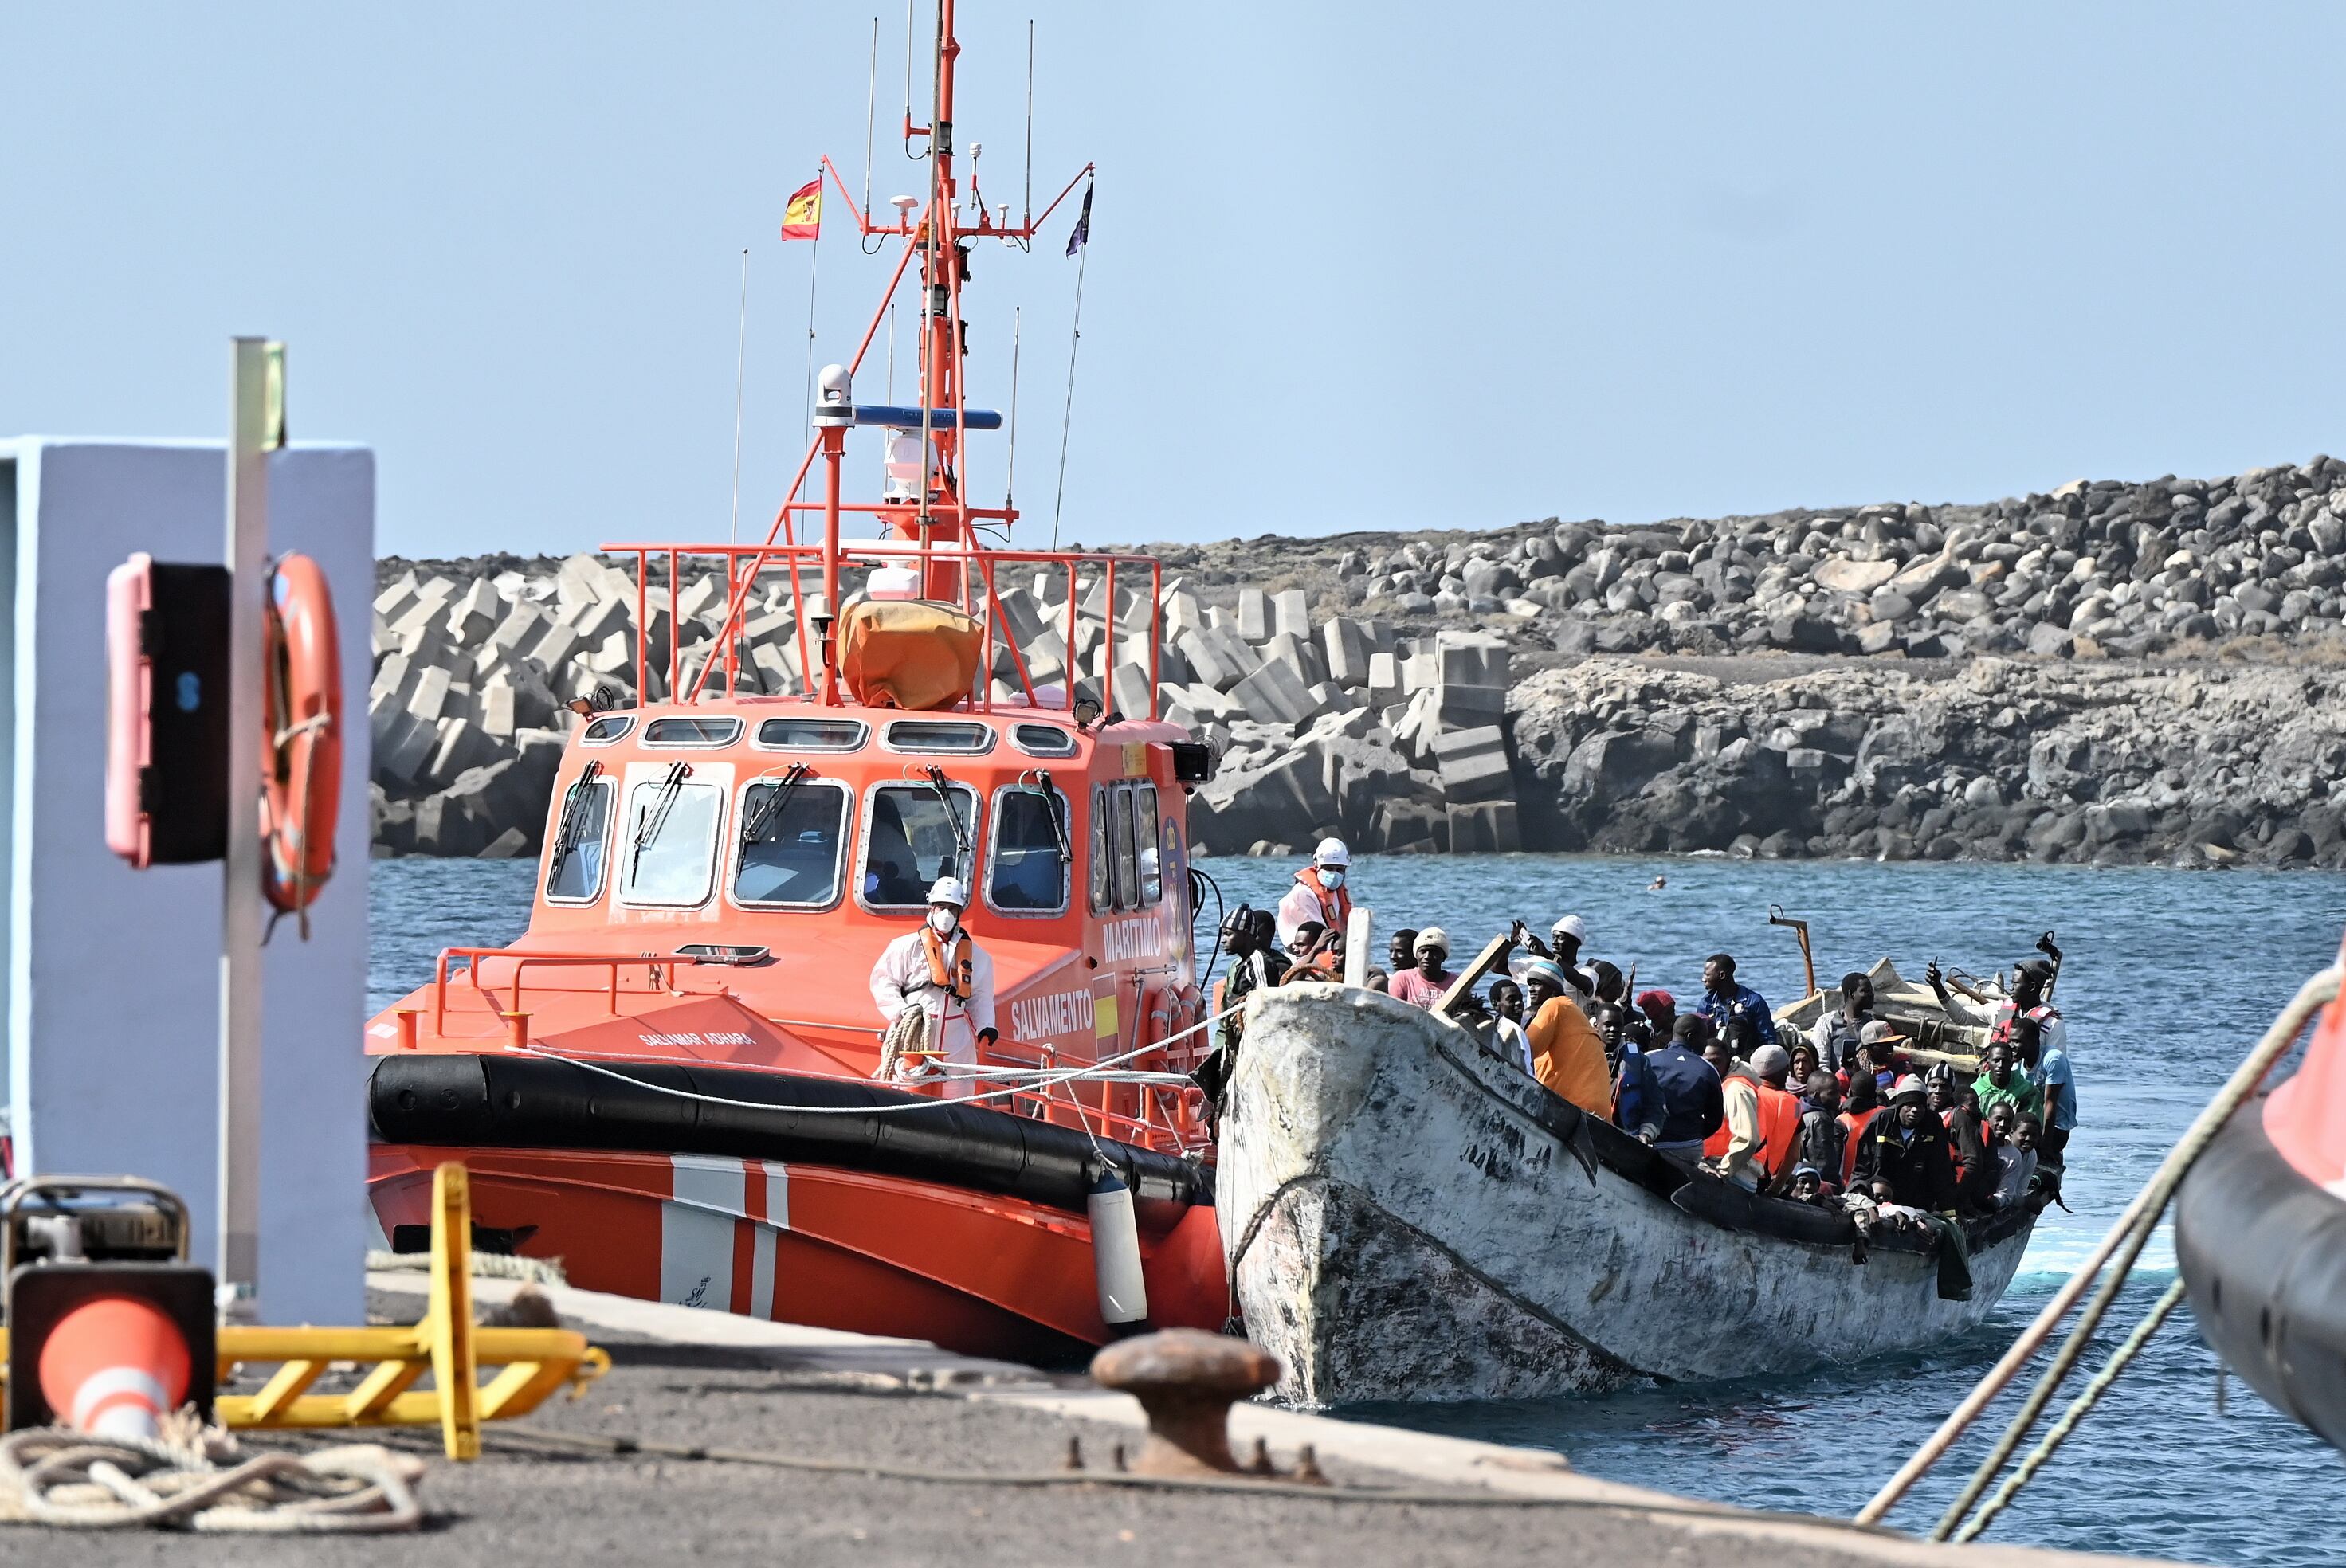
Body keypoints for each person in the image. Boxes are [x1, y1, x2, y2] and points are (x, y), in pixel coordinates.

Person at [869, 877, 998, 1101]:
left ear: (960, 912)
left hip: (956, 1040)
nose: (946, 914)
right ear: (932, 908)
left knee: (957, 1097)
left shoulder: (978, 956)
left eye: (952, 909)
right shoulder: (905, 946)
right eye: (942, 908)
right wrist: (901, 1011)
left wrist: (986, 1026)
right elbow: (884, 981)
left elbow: (980, 996)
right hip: (914, 1033)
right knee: (905, 1093)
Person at [1850, 1075, 1959, 1215]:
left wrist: (1949, 1212)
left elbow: (1941, 1170)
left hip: (1917, 1204)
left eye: (1920, 1106)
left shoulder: (1933, 1124)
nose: (1915, 1110)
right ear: (1900, 1106)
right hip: (1880, 1201)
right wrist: (1860, 1199)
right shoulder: (1882, 1121)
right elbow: (1862, 1166)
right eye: (1909, 1105)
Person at [1522, 958, 1612, 1119]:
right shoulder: (1572, 1010)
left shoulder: (1555, 1005)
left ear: (1553, 988)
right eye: (1530, 984)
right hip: (1597, 1113)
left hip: (1575, 1109)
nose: (1531, 990)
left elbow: (1523, 1051)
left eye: (1537, 984)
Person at [1646, 1014, 1724, 1159]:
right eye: (1704, 1038)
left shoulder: (1648, 1059)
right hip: (1687, 1146)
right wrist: (1693, 1133)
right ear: (1690, 1037)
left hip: (1648, 1142)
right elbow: (1715, 1120)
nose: (1705, 1044)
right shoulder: (1707, 1069)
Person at [2016, 1012, 2078, 1165]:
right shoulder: (2018, 1062)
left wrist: (2045, 1147)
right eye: (2011, 1041)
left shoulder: (2053, 1059)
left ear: (2034, 1041)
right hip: (2032, 1123)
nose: (2012, 1046)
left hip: (2055, 1129)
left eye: (2017, 1042)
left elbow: (2050, 1104)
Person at [1276, 837, 1354, 952]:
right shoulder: (1303, 895)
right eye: (1329, 869)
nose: (1334, 874)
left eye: (1339, 870)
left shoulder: (1340, 893)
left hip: (1331, 953)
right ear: (1317, 866)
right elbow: (1317, 935)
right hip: (1302, 957)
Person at [1704, 1051, 1768, 1190]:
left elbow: (1748, 1139)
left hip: (1735, 1174)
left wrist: (1724, 1171)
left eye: (1716, 1062)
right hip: (1727, 1170)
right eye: (1707, 1062)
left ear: (1729, 1061)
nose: (1711, 1067)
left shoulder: (1736, 1089)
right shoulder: (1720, 1085)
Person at [1693, 953, 1777, 1047]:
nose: (1703, 979)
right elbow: (1699, 1039)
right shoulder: (1706, 1004)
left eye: (1707, 975)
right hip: (1715, 1057)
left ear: (1722, 975)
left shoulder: (1753, 1002)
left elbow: (1769, 1039)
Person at [1809, 972, 1878, 1072]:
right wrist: (1837, 1082)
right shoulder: (1827, 1022)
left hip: (1866, 1082)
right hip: (1836, 1082)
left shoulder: (1872, 1023)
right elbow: (1822, 1064)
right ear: (1851, 994)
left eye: (1871, 991)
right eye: (1865, 991)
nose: (1871, 995)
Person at [1971, 1038, 2044, 1124]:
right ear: (1988, 1062)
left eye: (2005, 1061)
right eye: (1996, 1060)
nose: (2000, 1065)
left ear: (2012, 1063)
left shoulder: (2027, 1091)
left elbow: (2032, 1124)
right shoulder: (1976, 1090)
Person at [1386, 927, 1457, 1009]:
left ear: (1444, 956)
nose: (1427, 957)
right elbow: (1394, 1012)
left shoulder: (1456, 983)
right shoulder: (1402, 979)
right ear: (1416, 955)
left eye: (1434, 952)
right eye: (1423, 951)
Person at [1798, 1071, 1846, 1190]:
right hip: (1817, 1187)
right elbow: (1823, 1163)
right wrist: (1836, 1188)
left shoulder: (1802, 1113)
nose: (1838, 1097)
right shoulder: (1819, 1119)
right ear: (1817, 1096)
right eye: (1832, 1093)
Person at [1836, 1071, 1881, 1187]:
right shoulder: (1883, 1115)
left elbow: (1836, 1159)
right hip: (1876, 1185)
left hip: (1849, 1185)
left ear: (1850, 1091)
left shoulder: (1843, 1120)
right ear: (1875, 1094)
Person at [1995, 1113, 2042, 1209]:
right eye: (2024, 1134)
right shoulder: (2003, 1154)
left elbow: (2020, 1190)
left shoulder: (2032, 1154)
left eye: (2034, 1135)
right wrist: (2026, 1201)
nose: (2029, 1139)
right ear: (2012, 1133)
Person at [1489, 978, 1533, 1074]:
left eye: (1520, 998)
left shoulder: (1527, 1023)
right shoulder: (1512, 1030)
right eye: (1511, 999)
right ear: (1496, 1005)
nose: (1519, 1003)